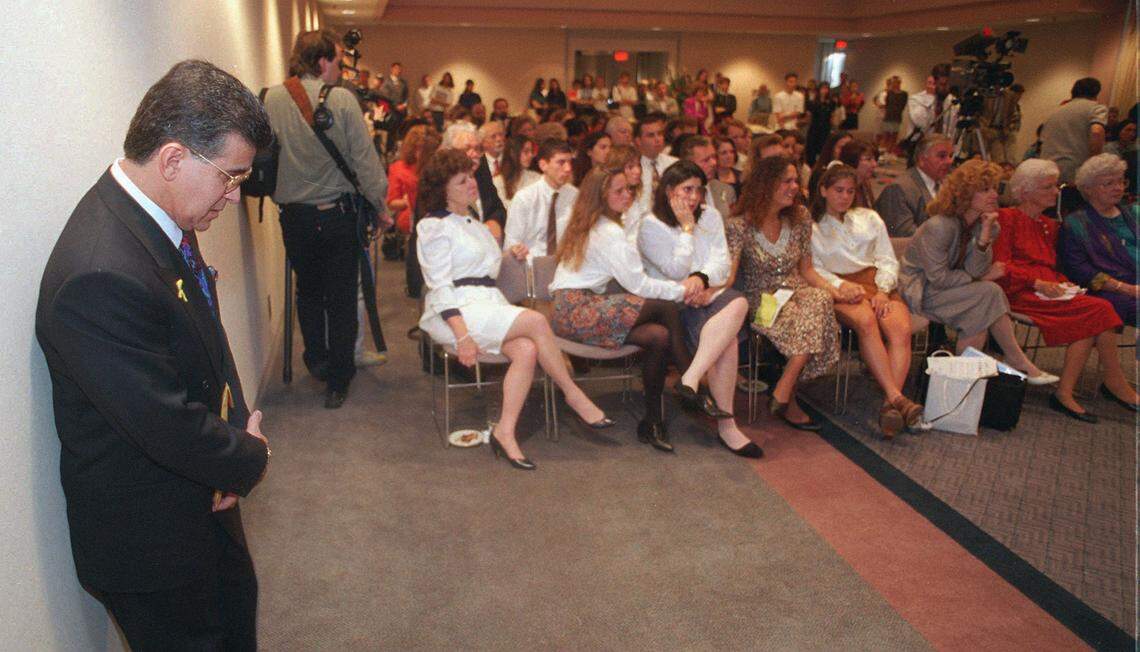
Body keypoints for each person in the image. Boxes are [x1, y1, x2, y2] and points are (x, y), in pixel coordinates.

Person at [36, 59, 272, 650]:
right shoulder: (99, 272)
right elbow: (161, 419)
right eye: (231, 177)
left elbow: (202, 343)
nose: (233, 194)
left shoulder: (162, 217)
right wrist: (248, 455)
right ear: (173, 159)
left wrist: (233, 437)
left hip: (200, 493)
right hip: (152, 543)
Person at [416, 150, 613, 470]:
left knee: (525, 350)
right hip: (456, 311)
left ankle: (504, 432)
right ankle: (573, 393)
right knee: (535, 320)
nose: (472, 185)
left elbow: (485, 271)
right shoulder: (433, 226)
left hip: (487, 302)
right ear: (443, 189)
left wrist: (510, 256)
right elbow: (439, 286)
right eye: (462, 181)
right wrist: (462, 335)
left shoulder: (475, 224)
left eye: (471, 178)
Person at [265, 29, 388, 408]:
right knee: (340, 296)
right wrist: (380, 203)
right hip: (337, 216)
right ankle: (338, 378)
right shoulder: (343, 101)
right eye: (336, 60)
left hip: (294, 219)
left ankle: (315, 359)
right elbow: (365, 163)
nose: (340, 68)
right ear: (322, 62)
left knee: (309, 291)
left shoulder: (271, 99)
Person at [550, 167, 693, 453]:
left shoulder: (590, 222)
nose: (627, 194)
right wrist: (683, 291)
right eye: (619, 191)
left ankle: (653, 421)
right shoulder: (606, 231)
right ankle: (690, 380)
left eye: (628, 189)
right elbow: (638, 284)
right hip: (579, 309)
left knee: (658, 336)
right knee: (666, 308)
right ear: (600, 197)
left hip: (573, 309)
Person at [995, 159, 1136, 421]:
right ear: (1025, 192)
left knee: (1095, 311)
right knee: (1098, 310)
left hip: (1050, 289)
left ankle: (1067, 392)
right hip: (1019, 291)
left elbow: (1054, 265)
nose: (1056, 192)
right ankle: (1101, 386)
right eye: (1048, 187)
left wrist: (1062, 282)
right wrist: (1037, 283)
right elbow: (1000, 268)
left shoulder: (1050, 225)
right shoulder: (1007, 219)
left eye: (1055, 186)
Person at [637, 162, 761, 457]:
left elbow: (722, 264)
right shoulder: (650, 225)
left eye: (698, 190)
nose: (693, 198)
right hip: (673, 304)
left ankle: (691, 377)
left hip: (709, 294)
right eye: (686, 190)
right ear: (668, 191)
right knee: (727, 339)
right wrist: (687, 229)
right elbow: (673, 269)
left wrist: (704, 282)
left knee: (739, 302)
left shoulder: (711, 215)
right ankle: (727, 428)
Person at [897, 160, 1059, 384]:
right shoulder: (940, 226)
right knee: (987, 293)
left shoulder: (987, 224)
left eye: (994, 188)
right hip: (920, 290)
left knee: (983, 302)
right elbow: (939, 278)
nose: (994, 195)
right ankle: (1010, 362)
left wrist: (983, 240)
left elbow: (975, 269)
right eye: (985, 190)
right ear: (965, 195)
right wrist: (981, 277)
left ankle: (963, 382)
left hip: (954, 290)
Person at [810, 165, 925, 437]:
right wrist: (841, 286)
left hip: (875, 281)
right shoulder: (812, 226)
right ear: (824, 190)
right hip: (840, 284)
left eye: (850, 191)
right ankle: (898, 400)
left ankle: (891, 407)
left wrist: (883, 290)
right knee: (866, 322)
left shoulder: (869, 218)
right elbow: (813, 268)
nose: (845, 197)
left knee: (900, 329)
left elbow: (886, 259)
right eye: (838, 190)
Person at [725, 156, 839, 429]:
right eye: (786, 181)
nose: (794, 187)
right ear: (766, 184)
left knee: (821, 298)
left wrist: (838, 290)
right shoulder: (739, 225)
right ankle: (788, 393)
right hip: (762, 300)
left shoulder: (800, 218)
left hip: (797, 291)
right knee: (814, 316)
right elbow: (729, 276)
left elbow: (808, 271)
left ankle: (785, 385)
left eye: (796, 181)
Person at [1060, 153, 1138, 329]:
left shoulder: (1135, 213)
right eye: (1109, 183)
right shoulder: (1076, 224)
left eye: (1121, 182)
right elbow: (1081, 271)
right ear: (1088, 188)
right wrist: (1128, 288)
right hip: (1114, 292)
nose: (1118, 188)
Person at [504, 139, 578, 258]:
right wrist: (517, 251)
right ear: (543, 165)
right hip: (531, 264)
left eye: (570, 162)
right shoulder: (525, 198)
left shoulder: (574, 195)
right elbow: (512, 242)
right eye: (561, 162)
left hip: (565, 264)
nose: (568, 168)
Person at [874, 135, 953, 237]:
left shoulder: (945, 185)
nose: (949, 161)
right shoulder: (899, 189)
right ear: (921, 160)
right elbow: (904, 235)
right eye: (942, 156)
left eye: (950, 156)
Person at [1041, 78, 1108, 184]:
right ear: (1096, 93)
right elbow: (1097, 132)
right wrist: (1095, 164)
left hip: (1047, 168)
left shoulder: (1056, 111)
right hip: (1074, 170)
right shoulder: (1096, 108)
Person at [632, 112, 679, 231]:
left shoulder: (674, 164)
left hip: (672, 225)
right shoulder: (631, 168)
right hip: (639, 226)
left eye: (660, 134)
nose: (657, 139)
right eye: (651, 135)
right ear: (638, 140)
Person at [386, 124, 436, 234]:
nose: (422, 153)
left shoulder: (436, 166)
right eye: (419, 148)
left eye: (425, 149)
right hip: (409, 224)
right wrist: (407, 201)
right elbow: (391, 203)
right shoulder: (398, 168)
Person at [677, 135, 736, 221]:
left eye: (714, 157)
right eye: (706, 160)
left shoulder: (726, 190)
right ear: (689, 164)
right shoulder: (678, 194)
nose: (714, 163)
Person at [605, 144, 646, 242]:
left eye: (638, 165)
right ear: (617, 168)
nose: (638, 171)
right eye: (630, 167)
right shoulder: (607, 198)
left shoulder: (639, 196)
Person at [493, 135, 540, 209]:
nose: (531, 155)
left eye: (531, 151)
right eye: (526, 151)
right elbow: (501, 209)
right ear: (513, 153)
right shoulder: (499, 181)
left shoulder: (536, 177)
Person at [984, 84, 1024, 165]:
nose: (1019, 97)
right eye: (1018, 95)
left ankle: (1007, 167)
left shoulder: (1015, 106)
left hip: (1007, 132)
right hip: (994, 130)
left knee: (1008, 156)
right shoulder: (995, 101)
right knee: (998, 156)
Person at [806, 130, 852, 200]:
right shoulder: (820, 173)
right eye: (841, 148)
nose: (846, 152)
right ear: (831, 149)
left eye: (850, 148)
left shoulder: (855, 171)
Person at [377, 61, 409, 155]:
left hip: (402, 112)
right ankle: (388, 151)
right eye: (396, 68)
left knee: (399, 132)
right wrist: (395, 106)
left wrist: (404, 105)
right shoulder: (386, 83)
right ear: (392, 69)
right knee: (390, 132)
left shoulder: (403, 82)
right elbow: (385, 97)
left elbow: (406, 96)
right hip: (391, 111)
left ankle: (396, 151)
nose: (398, 70)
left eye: (399, 69)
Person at [836, 139, 878, 209]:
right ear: (853, 160)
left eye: (875, 159)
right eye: (868, 159)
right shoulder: (841, 186)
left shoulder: (865, 183)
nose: (874, 164)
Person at [805, 83, 837, 165]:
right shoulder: (812, 103)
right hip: (814, 128)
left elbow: (832, 117)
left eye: (826, 88)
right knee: (812, 150)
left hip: (826, 128)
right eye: (823, 88)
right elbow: (809, 117)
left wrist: (833, 129)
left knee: (824, 149)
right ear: (819, 90)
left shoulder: (831, 103)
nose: (824, 91)